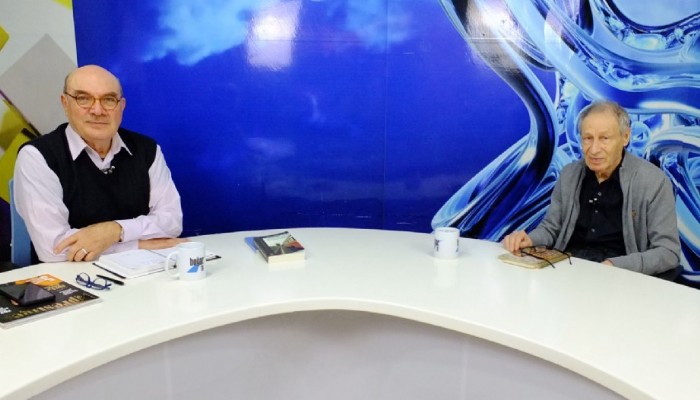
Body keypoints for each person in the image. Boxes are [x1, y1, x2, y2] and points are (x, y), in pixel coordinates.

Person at [13, 65, 185, 262]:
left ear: (122, 106)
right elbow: (54, 249)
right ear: (65, 103)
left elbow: (172, 222)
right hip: (69, 275)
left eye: (108, 100)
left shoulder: (147, 149)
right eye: (83, 99)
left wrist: (115, 230)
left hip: (143, 271)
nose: (97, 110)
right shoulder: (37, 156)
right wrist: (138, 245)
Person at [502, 100, 680, 276]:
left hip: (619, 276)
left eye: (604, 138)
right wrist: (529, 239)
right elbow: (551, 228)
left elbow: (668, 252)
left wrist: (615, 265)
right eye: (588, 138)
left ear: (625, 137)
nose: (594, 149)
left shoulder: (653, 181)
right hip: (567, 271)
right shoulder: (569, 174)